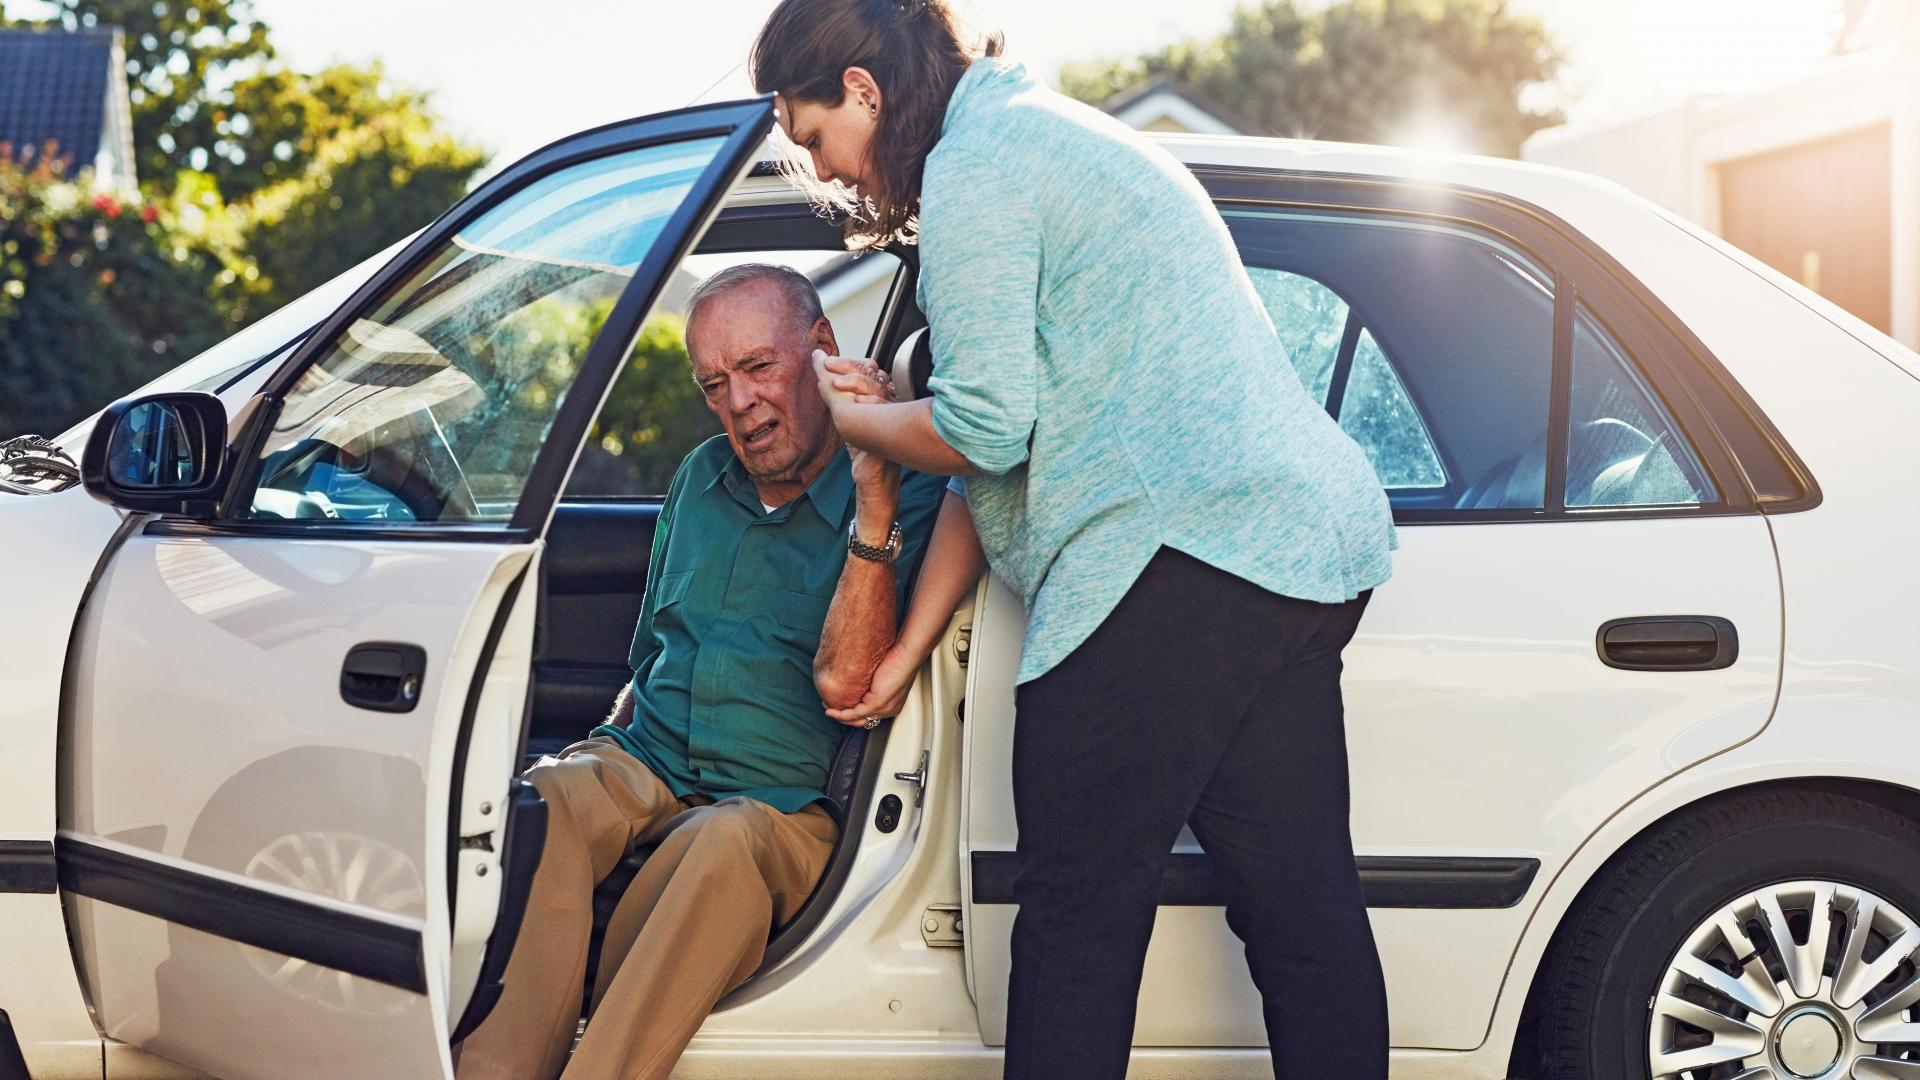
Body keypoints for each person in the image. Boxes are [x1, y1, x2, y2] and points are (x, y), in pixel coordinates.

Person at [749, 3, 1400, 1079]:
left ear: (862, 90)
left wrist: (856, 419)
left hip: (1172, 553)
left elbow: (983, 429)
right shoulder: (1045, 133)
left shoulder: (978, 167)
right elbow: (1005, 446)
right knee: (1300, 910)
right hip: (1290, 551)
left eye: (814, 138)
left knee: (1073, 928)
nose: (829, 174)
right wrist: (909, 648)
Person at [455, 263, 944, 1080]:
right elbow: (653, 650)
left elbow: (854, 683)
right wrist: (602, 755)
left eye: (758, 368)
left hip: (783, 803)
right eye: (715, 384)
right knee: (546, 799)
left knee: (719, 844)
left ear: (821, 348)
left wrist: (873, 498)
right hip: (653, 759)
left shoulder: (910, 492)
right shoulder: (699, 478)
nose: (740, 405)